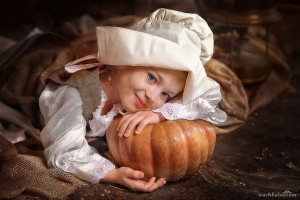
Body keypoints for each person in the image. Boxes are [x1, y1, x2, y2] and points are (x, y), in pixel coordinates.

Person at [38, 8, 227, 192]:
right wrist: (112, 174)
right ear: (127, 60)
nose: (152, 97)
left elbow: (207, 99)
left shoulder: (135, 94)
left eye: (165, 94)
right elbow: (63, 152)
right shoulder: (74, 94)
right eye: (152, 78)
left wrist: (160, 114)